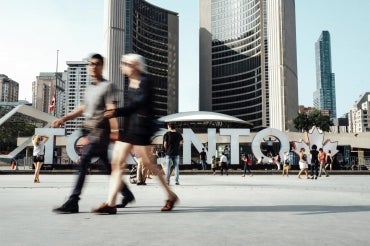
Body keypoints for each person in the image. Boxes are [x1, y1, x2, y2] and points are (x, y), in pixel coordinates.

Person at [91, 53, 178, 214]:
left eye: (125, 63)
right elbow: (132, 108)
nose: (121, 66)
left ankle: (171, 195)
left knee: (150, 165)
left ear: (134, 65)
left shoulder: (146, 81)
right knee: (117, 163)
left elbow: (139, 104)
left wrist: (116, 112)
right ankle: (110, 203)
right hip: (129, 129)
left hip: (141, 131)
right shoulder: (130, 82)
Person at [52, 53, 134, 213]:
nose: (93, 66)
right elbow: (82, 108)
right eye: (90, 63)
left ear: (102, 66)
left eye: (96, 63)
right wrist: (64, 118)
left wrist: (115, 131)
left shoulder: (107, 86)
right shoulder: (88, 89)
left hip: (101, 131)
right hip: (89, 130)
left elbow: (111, 109)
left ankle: (73, 201)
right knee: (107, 166)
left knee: (83, 162)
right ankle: (127, 193)